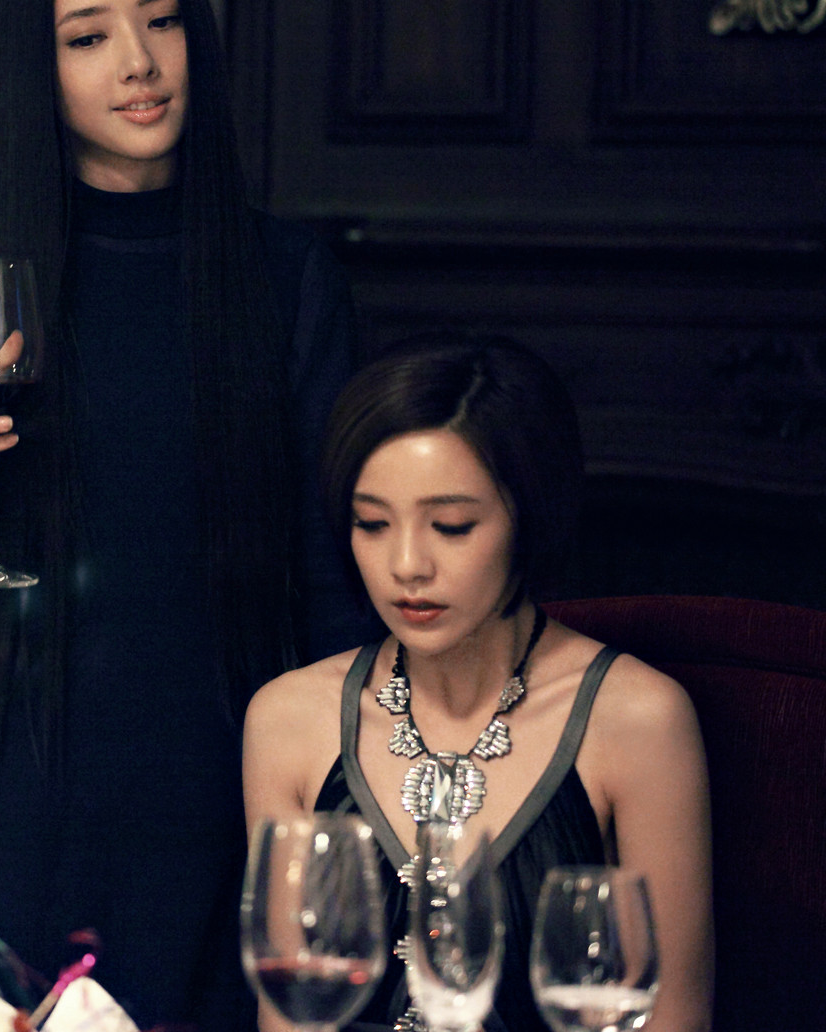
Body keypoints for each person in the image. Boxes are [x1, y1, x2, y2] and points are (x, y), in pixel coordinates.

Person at [0, 0, 372, 1030]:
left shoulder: (286, 279)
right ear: (35, 69)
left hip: (211, 787)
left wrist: (344, 801)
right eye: (87, 38)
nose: (139, 62)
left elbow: (335, 577)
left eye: (163, 20)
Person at [241, 333, 714, 1032]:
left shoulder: (639, 720)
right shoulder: (288, 720)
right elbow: (288, 1016)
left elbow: (673, 1019)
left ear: (530, 518)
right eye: (372, 524)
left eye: (452, 526)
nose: (407, 564)